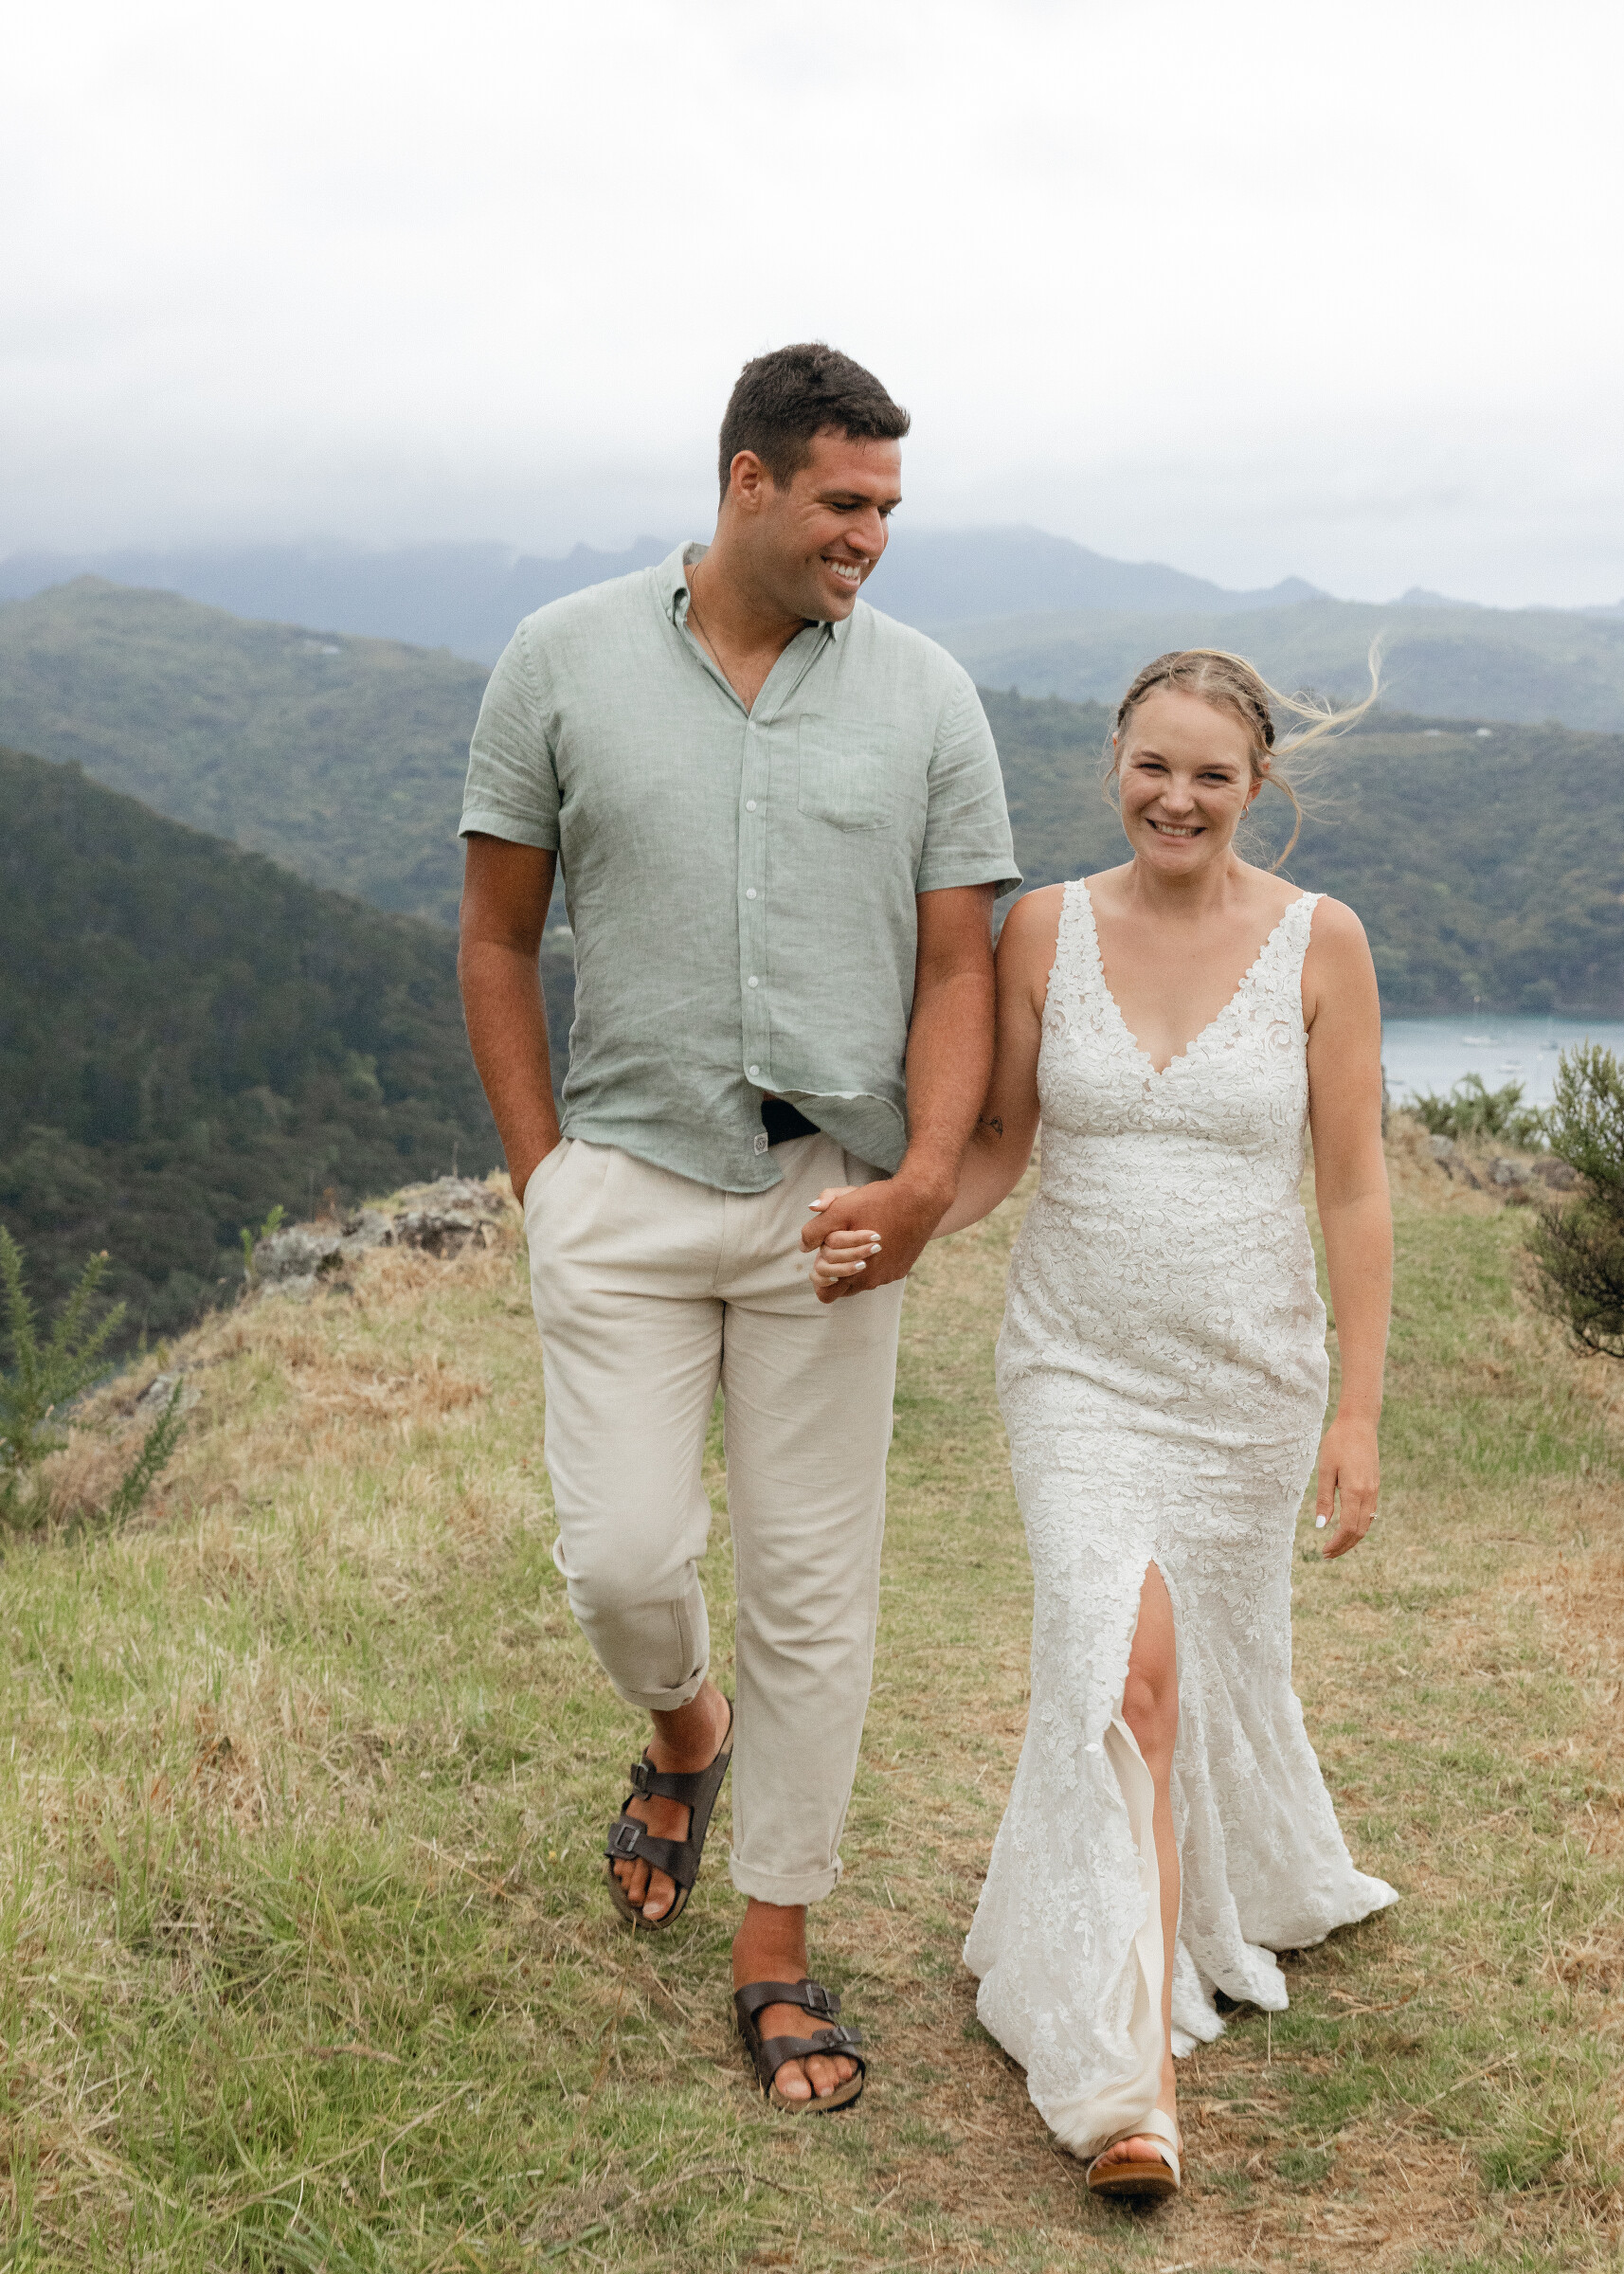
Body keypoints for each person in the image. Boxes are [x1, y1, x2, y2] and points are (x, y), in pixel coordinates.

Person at [457, 343, 1020, 2113]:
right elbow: (496, 939)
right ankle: (683, 1725)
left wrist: (922, 1184)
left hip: (829, 1200)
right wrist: (545, 1176)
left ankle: (775, 1946)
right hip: (621, 1183)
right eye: (845, 502)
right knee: (622, 1563)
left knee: (811, 1589)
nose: (871, 537)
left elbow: (959, 967)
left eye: (889, 509)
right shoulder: (558, 659)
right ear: (747, 482)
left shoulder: (927, 696)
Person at [810, 648, 1397, 2192]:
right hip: (1074, 1369)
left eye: (1211, 775)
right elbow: (1002, 1141)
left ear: (1256, 786)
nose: (1176, 799)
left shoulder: (1323, 943)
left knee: (1201, 1674)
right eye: (1153, 766)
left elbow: (1352, 1188)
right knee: (1123, 1677)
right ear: (1114, 765)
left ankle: (1203, 1888)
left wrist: (1358, 1411)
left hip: (1248, 1385)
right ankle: (1128, 2087)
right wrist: (903, 1226)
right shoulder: (1044, 929)